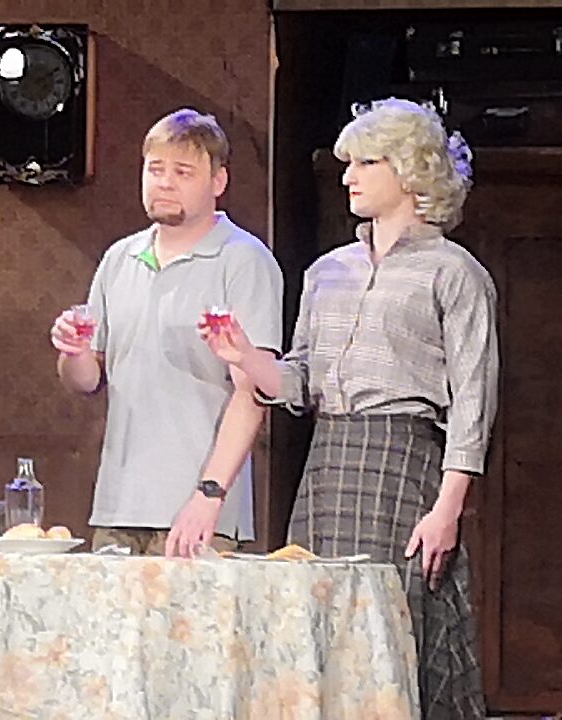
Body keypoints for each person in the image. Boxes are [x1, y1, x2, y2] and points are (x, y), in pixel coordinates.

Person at [204, 98, 497, 717]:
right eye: (347, 163)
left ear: (410, 171)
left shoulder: (454, 274)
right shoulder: (326, 272)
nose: (348, 176)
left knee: (397, 630)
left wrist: (448, 508)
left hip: (403, 463)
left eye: (366, 162)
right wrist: (245, 356)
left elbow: (473, 402)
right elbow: (299, 380)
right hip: (330, 463)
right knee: (316, 624)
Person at [49, 108, 283, 558]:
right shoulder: (120, 258)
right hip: (118, 507)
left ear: (218, 181)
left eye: (183, 172)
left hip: (197, 513)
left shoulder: (243, 259)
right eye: (155, 169)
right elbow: (87, 380)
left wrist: (209, 494)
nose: (165, 183)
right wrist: (73, 351)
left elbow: (253, 391)